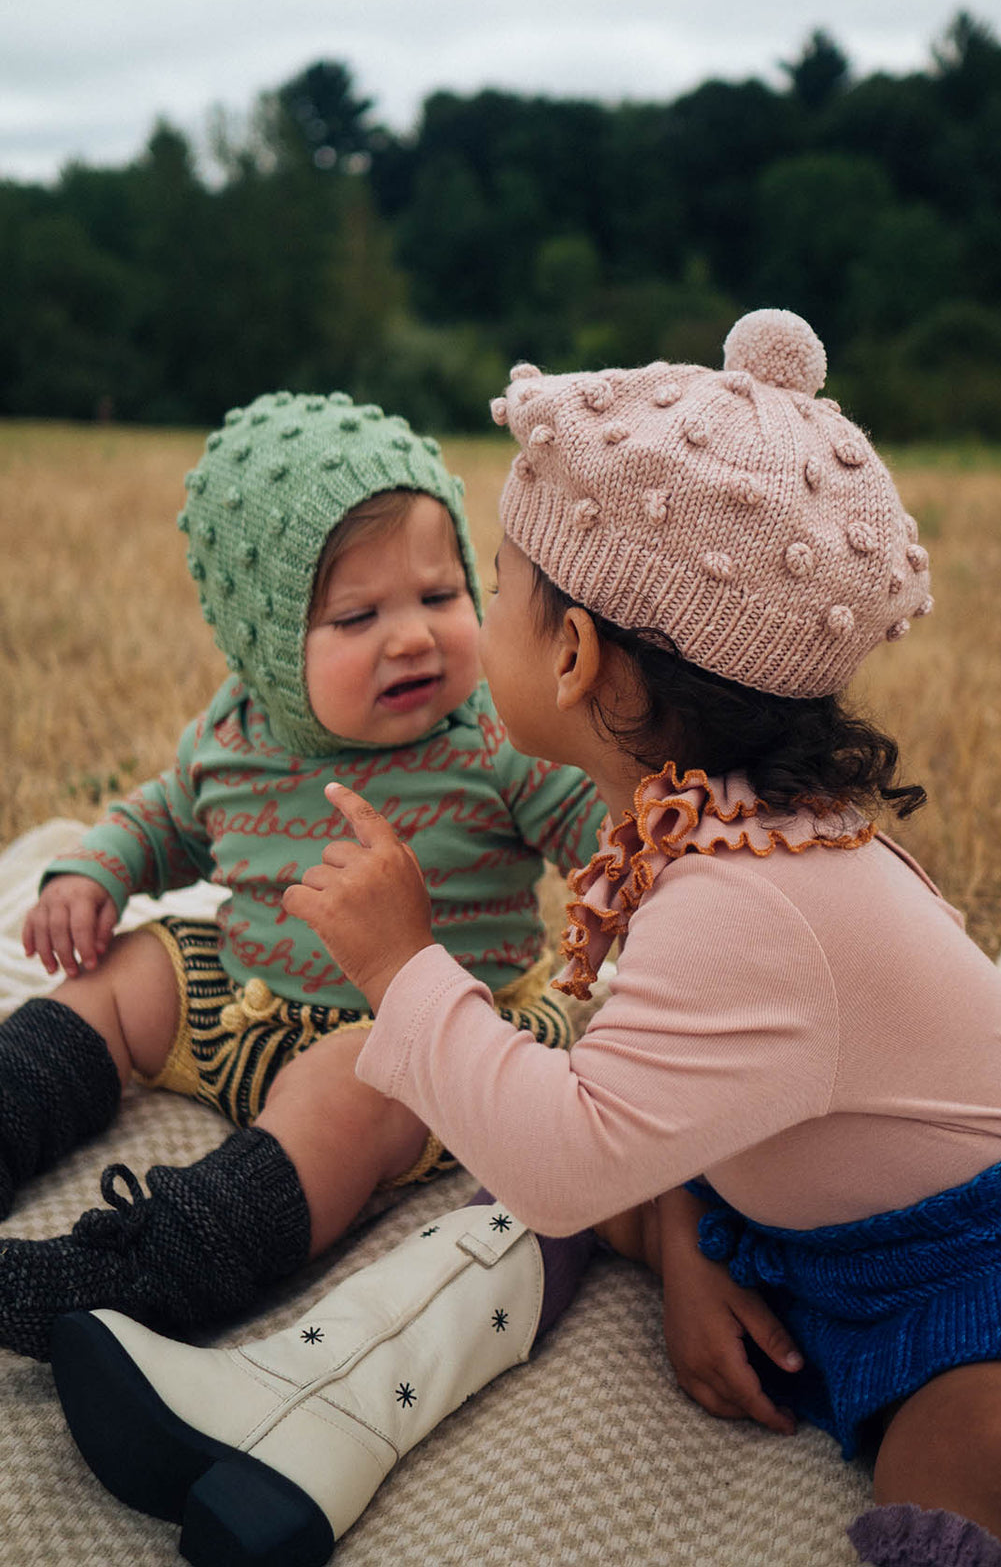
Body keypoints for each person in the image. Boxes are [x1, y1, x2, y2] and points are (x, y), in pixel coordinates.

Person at [49, 311, 1001, 1567]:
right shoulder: (705, 824)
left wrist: (399, 965)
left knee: (966, 1491)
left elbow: (562, 1156)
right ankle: (308, 1404)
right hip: (798, 1195)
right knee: (533, 1179)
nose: (462, 626)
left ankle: (297, 1400)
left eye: (491, 585)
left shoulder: (744, 903)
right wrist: (695, 1222)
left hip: (990, 1259)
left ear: (579, 652)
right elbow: (683, 1087)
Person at [0, 389, 605, 1362]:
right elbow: (163, 814)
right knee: (125, 973)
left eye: (441, 597)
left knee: (351, 1082)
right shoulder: (238, 730)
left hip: (429, 1030)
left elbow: (601, 835)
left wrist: (638, 881)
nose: (410, 637)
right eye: (358, 614)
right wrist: (94, 873)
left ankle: (159, 1262)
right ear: (271, 646)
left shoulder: (497, 737)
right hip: (243, 1003)